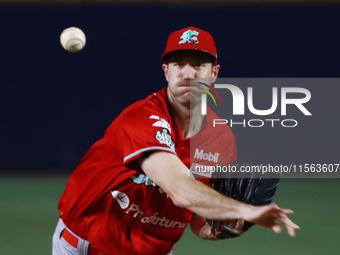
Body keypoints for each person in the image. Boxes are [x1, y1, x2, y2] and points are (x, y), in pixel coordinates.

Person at [52, 27, 299, 255]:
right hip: (87, 246)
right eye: (179, 64)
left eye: (199, 65)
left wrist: (224, 226)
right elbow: (180, 190)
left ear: (214, 73)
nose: (188, 74)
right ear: (166, 71)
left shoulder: (221, 138)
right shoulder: (142, 118)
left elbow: (197, 220)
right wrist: (245, 209)